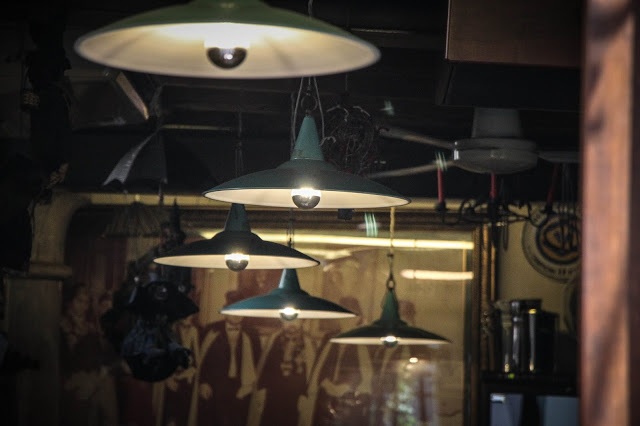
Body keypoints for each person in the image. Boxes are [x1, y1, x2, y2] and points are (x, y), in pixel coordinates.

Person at [299, 297, 373, 426]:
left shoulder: (363, 342)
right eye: (342, 317)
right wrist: (325, 383)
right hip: (325, 399)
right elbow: (319, 367)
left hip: (349, 403)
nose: (345, 321)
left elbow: (367, 376)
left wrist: (347, 387)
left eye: (350, 317)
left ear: (358, 318)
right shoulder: (329, 338)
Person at [197, 290, 261, 426]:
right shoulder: (211, 330)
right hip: (214, 389)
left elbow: (258, 363)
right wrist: (203, 382)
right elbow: (202, 360)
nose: (237, 315)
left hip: (242, 388)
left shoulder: (252, 334)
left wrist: (250, 387)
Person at [248, 319, 317, 426]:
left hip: (296, 397)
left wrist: (305, 395)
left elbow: (311, 373)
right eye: (288, 320)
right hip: (273, 395)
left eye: (296, 320)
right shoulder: (274, 338)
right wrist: (261, 389)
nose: (292, 323)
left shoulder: (308, 342)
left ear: (302, 321)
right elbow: (265, 366)